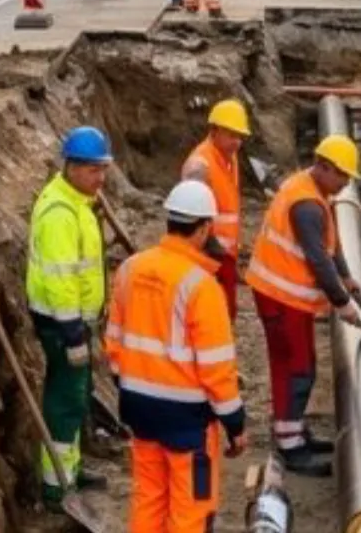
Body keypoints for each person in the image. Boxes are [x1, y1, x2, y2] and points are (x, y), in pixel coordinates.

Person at [106, 180, 247, 532]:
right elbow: (217, 369)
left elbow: (114, 342)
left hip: (138, 408)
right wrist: (235, 424)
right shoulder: (201, 287)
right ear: (203, 228)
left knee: (149, 499)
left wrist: (129, 385)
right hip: (187, 419)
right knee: (191, 509)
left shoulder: (130, 269)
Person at [244, 134, 361, 477]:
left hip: (287, 298)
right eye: (343, 176)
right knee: (295, 370)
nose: (346, 183)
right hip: (280, 297)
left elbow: (330, 244)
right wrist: (342, 302)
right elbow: (317, 259)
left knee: (303, 365)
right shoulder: (307, 204)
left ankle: (293, 430)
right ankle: (290, 445)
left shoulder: (313, 191)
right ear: (325, 168)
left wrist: (346, 275)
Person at [25, 125, 113, 510]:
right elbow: (60, 282)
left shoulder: (76, 200)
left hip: (75, 322)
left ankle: (71, 470)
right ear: (73, 168)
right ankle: (56, 487)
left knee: (77, 397)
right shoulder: (60, 213)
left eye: (103, 168)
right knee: (65, 400)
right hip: (62, 325)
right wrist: (74, 333)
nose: (101, 177)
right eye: (94, 170)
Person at [181, 99, 250, 320]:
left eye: (240, 136)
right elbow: (190, 215)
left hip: (225, 253)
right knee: (210, 313)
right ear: (214, 131)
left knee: (226, 312)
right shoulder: (200, 165)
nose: (236, 142)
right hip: (206, 253)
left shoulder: (229, 158)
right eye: (231, 135)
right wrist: (211, 247)